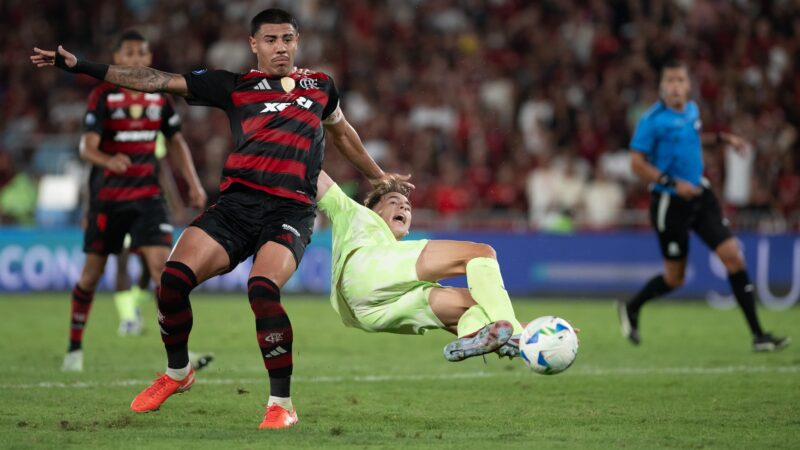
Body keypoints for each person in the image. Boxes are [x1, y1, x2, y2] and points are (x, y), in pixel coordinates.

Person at [32, 8, 405, 429]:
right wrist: (82, 67)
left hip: (291, 209)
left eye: (287, 39)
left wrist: (379, 176)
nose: (280, 47)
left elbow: (343, 135)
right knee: (171, 282)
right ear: (253, 44)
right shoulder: (233, 86)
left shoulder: (320, 86)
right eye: (270, 40)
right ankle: (178, 373)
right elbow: (154, 79)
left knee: (262, 288)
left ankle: (281, 405)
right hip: (236, 207)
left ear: (297, 41)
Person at [58, 30, 207, 372]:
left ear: (150, 59)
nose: (137, 59)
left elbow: (176, 143)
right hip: (108, 200)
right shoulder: (103, 96)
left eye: (143, 53)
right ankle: (74, 348)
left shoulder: (160, 99)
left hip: (148, 198)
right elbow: (86, 147)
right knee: (91, 276)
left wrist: (193, 184)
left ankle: (180, 356)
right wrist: (108, 160)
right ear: (117, 59)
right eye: (130, 53)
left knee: (163, 272)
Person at [617, 60, 789, 352]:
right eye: (669, 81)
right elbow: (636, 164)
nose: (675, 86)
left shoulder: (692, 111)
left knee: (733, 257)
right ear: (661, 88)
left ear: (688, 85)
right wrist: (673, 184)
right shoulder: (651, 121)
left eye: (680, 81)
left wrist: (724, 139)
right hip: (669, 204)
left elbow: (692, 140)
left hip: (700, 195)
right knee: (675, 278)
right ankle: (632, 307)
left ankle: (759, 335)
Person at [316, 170, 524, 361]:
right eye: (393, 201)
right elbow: (318, 177)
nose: (404, 206)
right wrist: (297, 139)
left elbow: (493, 323)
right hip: (364, 270)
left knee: (480, 306)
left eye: (407, 206)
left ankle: (471, 334)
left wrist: (534, 339)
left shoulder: (399, 263)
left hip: (366, 314)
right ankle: (514, 332)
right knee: (481, 252)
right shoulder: (355, 213)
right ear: (375, 209)